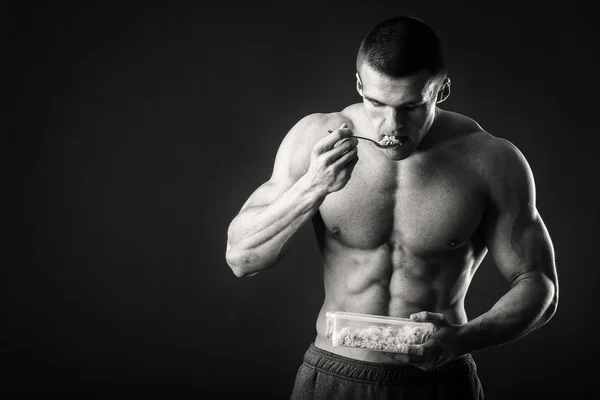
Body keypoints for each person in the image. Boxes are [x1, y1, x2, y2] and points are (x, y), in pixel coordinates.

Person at [225, 15, 558, 400]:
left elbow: (539, 284)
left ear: (441, 91)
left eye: (411, 106)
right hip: (335, 375)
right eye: (376, 103)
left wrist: (463, 338)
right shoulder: (315, 139)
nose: (391, 126)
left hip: (439, 380)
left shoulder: (490, 161)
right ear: (358, 85)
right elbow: (241, 258)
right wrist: (312, 187)